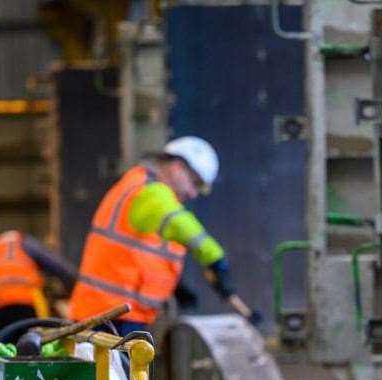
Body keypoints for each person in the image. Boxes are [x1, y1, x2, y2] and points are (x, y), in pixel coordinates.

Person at [69, 136, 256, 334]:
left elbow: (143, 252)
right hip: (110, 318)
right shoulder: (150, 191)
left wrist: (176, 286)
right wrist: (216, 261)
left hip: (115, 315)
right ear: (177, 167)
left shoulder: (143, 189)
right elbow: (186, 229)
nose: (193, 194)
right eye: (195, 183)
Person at [0, 230, 79, 339]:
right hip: (23, 304)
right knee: (29, 347)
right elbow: (61, 269)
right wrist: (73, 294)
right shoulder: (22, 243)